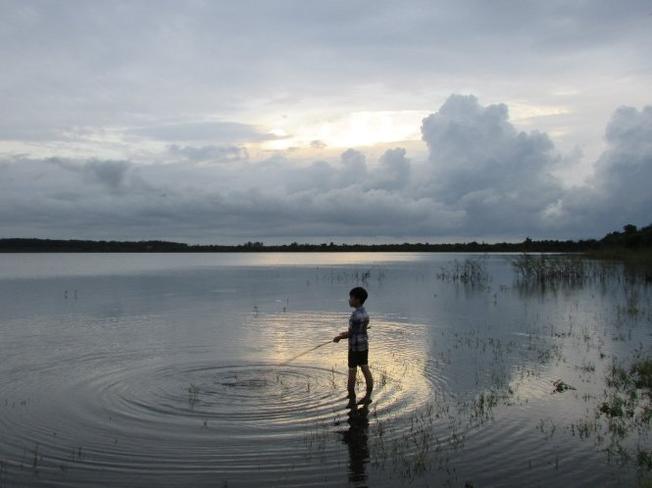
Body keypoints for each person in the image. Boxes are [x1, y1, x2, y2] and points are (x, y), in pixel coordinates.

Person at [333, 286, 373, 407]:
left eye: (351, 298)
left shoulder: (354, 316)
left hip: (354, 348)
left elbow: (352, 333)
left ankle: (350, 394)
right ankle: (369, 392)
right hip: (364, 345)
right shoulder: (365, 314)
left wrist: (339, 338)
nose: (349, 300)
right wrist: (346, 333)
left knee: (352, 370)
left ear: (357, 300)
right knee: (365, 367)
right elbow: (359, 330)